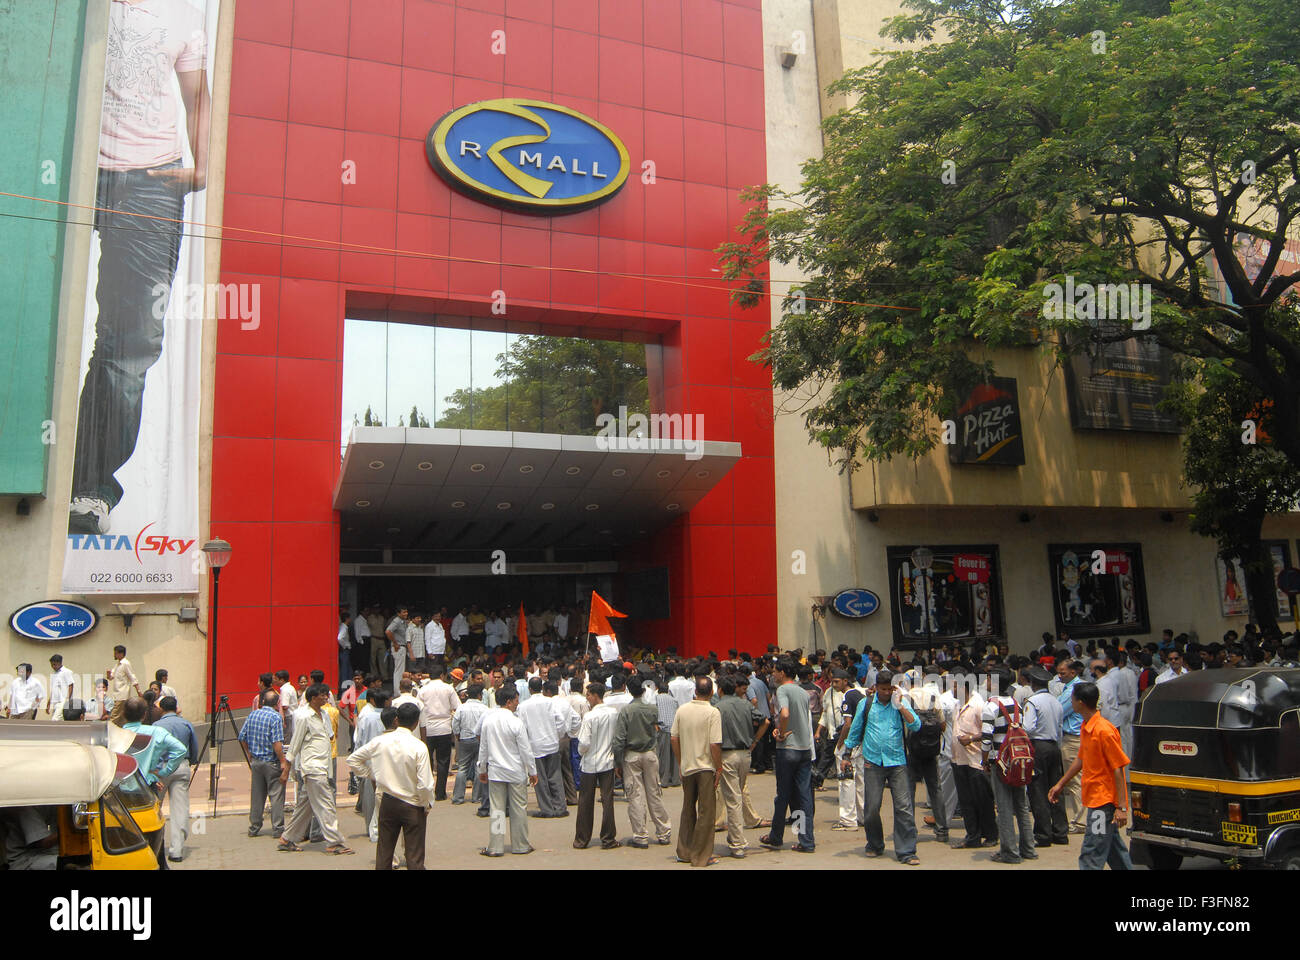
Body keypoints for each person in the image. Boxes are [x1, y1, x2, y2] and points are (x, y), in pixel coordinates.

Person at [67, 0, 210, 536]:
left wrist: (203, 167)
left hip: (152, 181)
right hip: (70, 159)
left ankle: (88, 490)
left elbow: (198, 97)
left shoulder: (183, 11)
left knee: (125, 347)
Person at [1049, 681, 1133, 870]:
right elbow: (1081, 760)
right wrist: (1060, 784)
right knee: (1113, 849)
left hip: (1102, 805)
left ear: (1080, 703)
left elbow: (1118, 769)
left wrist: (1121, 807)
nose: (1070, 701)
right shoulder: (1087, 727)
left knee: (1092, 851)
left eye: (1071, 698)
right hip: (1095, 800)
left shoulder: (1103, 731)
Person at [842, 669, 921, 864]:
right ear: (876, 687)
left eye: (889, 689)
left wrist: (900, 705)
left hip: (898, 763)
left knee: (904, 808)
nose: (886, 692)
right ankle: (875, 844)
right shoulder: (866, 703)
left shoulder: (900, 703)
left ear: (894, 688)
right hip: (873, 763)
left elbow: (916, 725)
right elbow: (856, 729)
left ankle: (907, 852)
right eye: (883, 689)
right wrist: (846, 753)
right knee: (871, 808)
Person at [347, 701, 434, 870]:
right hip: (413, 803)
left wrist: (373, 775)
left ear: (397, 719)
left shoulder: (380, 741)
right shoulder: (418, 746)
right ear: (416, 722)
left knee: (384, 851)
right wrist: (426, 804)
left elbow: (353, 760)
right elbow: (425, 784)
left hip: (387, 800)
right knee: (414, 854)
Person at [279, 684, 354, 855]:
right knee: (326, 805)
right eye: (322, 695)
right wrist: (287, 768)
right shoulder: (304, 717)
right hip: (313, 769)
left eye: (326, 694)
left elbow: (329, 737)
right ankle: (334, 842)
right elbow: (295, 744)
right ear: (313, 698)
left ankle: (287, 838)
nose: (326, 698)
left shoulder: (324, 714)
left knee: (305, 807)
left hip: (321, 767)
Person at [981, 668, 1036, 864]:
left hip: (1000, 762)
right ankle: (1028, 848)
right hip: (1018, 759)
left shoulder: (990, 706)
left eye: (988, 678)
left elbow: (986, 739)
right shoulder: (1015, 704)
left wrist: (984, 760)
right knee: (1020, 805)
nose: (986, 681)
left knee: (1004, 807)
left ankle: (1010, 852)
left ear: (993, 682)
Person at [759, 660, 815, 853]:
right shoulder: (802, 692)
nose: (773, 675)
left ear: (782, 673)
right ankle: (806, 840)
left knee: (782, 795)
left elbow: (784, 714)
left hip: (788, 748)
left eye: (775, 671)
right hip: (804, 749)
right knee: (803, 796)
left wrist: (781, 733)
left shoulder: (782, 690)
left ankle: (776, 836)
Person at [476, 683, 537, 856]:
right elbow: (526, 750)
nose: (518, 703)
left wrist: (482, 769)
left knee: (497, 810)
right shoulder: (516, 722)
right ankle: (521, 845)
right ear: (509, 702)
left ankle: (495, 847)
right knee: (519, 809)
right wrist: (532, 771)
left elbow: (483, 748)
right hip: (516, 771)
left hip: (496, 772)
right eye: (516, 700)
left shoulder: (489, 721)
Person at [614, 675, 671, 847]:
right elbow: (656, 728)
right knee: (655, 793)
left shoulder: (626, 711)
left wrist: (618, 762)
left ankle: (640, 835)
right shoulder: (652, 709)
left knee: (635, 795)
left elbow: (619, 740)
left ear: (628, 690)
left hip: (631, 755)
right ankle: (664, 832)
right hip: (650, 753)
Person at [671, 676, 723, 866]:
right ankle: (701, 855)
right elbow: (715, 744)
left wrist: (680, 762)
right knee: (706, 812)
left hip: (688, 766)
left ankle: (684, 852)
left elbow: (674, 738)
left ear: (695, 692)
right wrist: (719, 767)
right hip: (705, 767)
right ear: (711, 692)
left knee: (688, 810)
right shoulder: (713, 712)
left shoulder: (682, 710)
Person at [714, 675, 765, 857]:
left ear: (720, 690)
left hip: (727, 755)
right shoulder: (746, 704)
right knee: (739, 793)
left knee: (733, 799)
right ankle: (735, 839)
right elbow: (765, 721)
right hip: (745, 755)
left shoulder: (718, 708)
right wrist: (755, 741)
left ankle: (737, 843)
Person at [950, 669, 997, 848]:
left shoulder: (979, 705)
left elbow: (987, 732)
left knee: (983, 800)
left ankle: (991, 835)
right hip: (959, 759)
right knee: (966, 801)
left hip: (976, 760)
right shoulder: (958, 704)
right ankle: (972, 836)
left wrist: (970, 738)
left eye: (954, 686)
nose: (951, 690)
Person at [1023, 666, 1067, 847]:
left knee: (1038, 790)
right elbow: (1060, 729)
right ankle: (1060, 832)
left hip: (1038, 747)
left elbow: (1028, 727)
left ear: (1033, 684)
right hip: (1054, 746)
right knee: (1056, 789)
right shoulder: (1056, 701)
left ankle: (1043, 834)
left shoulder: (1032, 702)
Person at [574, 681, 621, 850]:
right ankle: (608, 838)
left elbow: (584, 742)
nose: (587, 698)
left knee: (585, 801)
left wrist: (581, 752)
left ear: (595, 695)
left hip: (590, 763)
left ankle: (582, 839)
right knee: (607, 800)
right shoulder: (613, 713)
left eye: (588, 695)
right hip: (607, 761)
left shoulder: (590, 716)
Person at [153, 696, 199, 862]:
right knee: (179, 809)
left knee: (154, 807)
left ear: (162, 709)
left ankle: (154, 846)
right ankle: (177, 851)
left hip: (161, 769)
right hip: (181, 766)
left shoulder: (156, 726)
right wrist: (191, 761)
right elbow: (194, 747)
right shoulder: (186, 724)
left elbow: (153, 749)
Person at [241, 690, 289, 837]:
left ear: (262, 702)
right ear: (277, 704)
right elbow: (277, 743)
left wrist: (249, 753)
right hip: (271, 762)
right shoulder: (275, 717)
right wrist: (283, 761)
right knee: (276, 796)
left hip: (256, 762)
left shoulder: (253, 714)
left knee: (257, 796)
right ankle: (278, 829)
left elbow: (242, 736)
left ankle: (254, 827)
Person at [517, 677, 567, 817]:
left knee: (540, 779)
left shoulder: (523, 706)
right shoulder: (550, 702)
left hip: (535, 745)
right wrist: (557, 735)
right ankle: (560, 807)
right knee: (555, 776)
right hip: (552, 743)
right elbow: (561, 721)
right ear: (541, 688)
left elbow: (522, 727)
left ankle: (547, 809)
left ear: (530, 689)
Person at [351, 688, 388, 844]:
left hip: (368, 761)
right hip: (383, 762)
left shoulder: (365, 717)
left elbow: (359, 739)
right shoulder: (386, 716)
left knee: (369, 797)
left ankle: (370, 827)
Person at [417, 664, 458, 801]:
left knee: (426, 762)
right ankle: (440, 793)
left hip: (427, 730)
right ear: (442, 675)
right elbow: (457, 707)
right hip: (444, 729)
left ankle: (427, 792)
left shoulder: (422, 690)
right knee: (443, 762)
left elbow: (418, 709)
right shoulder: (448, 688)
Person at [1056, 659, 1086, 833]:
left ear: (1073, 672)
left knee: (1075, 780)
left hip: (1073, 738)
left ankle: (1081, 821)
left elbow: (1060, 711)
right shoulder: (1074, 687)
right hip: (1078, 737)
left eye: (1063, 673)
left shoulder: (1073, 691)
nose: (1059, 676)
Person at [452, 682, 489, 805]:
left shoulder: (461, 708)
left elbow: (455, 724)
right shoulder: (484, 709)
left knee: (462, 768)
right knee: (479, 767)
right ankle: (476, 797)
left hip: (465, 739)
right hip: (480, 740)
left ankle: (458, 797)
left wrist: (458, 735)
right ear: (479, 695)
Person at [107, 645, 141, 725]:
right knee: (122, 716)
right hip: (117, 694)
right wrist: (108, 674)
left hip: (122, 695)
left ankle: (108, 731)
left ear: (121, 654)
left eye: (115, 653)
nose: (114, 655)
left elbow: (132, 676)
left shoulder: (125, 664)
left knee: (114, 716)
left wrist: (138, 691)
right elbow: (111, 677)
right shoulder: (118, 664)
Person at [46, 655, 75, 721]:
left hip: (63, 701)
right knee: (59, 720)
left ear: (60, 663)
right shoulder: (54, 674)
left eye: (54, 664)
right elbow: (54, 689)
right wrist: (49, 702)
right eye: (51, 665)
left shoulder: (66, 672)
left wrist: (67, 699)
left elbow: (70, 685)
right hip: (56, 702)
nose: (53, 666)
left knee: (55, 720)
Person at [337, 611, 352, 693]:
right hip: (345, 650)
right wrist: (345, 646)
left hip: (345, 650)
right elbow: (340, 638)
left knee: (347, 670)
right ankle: (344, 690)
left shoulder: (343, 626)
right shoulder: (344, 627)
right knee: (345, 671)